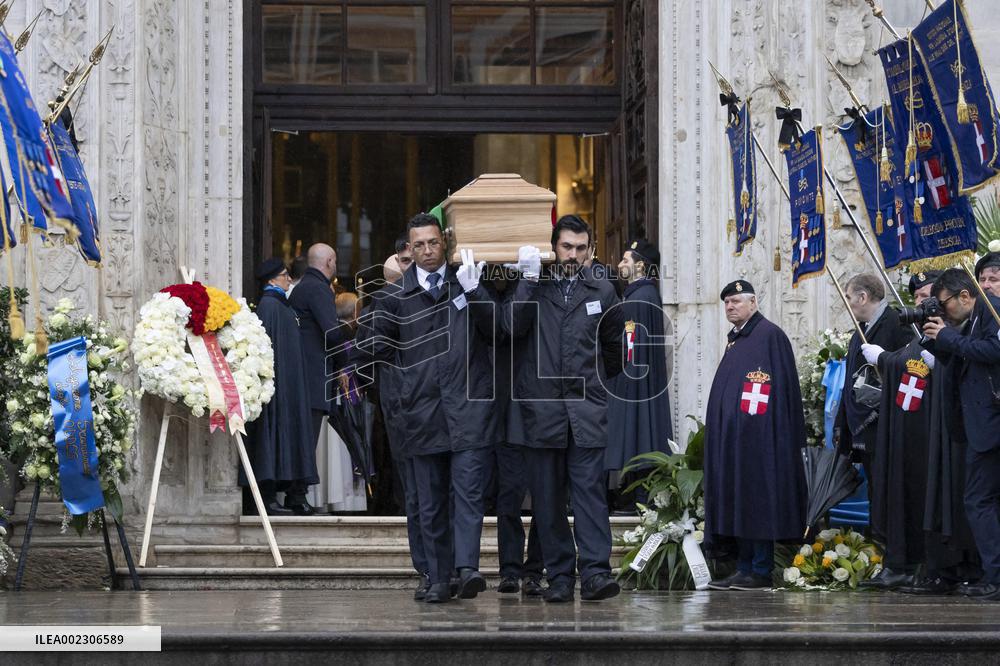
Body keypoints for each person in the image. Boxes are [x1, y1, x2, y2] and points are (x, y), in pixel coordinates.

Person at [360, 213, 500, 603]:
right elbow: (370, 350)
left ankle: (467, 568)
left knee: (468, 495)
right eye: (418, 244)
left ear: (445, 243)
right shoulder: (392, 297)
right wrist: (407, 378)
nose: (426, 250)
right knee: (430, 503)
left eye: (433, 242)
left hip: (468, 411)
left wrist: (477, 293)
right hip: (419, 415)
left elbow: (497, 333)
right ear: (409, 248)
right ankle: (439, 577)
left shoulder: (467, 284)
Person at [502, 214, 625, 603]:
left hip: (586, 411)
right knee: (548, 499)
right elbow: (510, 326)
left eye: (580, 248)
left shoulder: (602, 290)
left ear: (590, 251)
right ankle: (558, 575)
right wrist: (526, 279)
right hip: (541, 412)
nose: (572, 254)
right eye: (566, 246)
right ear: (553, 247)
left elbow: (615, 349)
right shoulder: (535, 286)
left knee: (590, 496)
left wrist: (595, 383)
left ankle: (594, 573)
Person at [704, 280, 807, 591]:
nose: (730, 307)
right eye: (727, 303)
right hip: (736, 442)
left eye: (736, 301)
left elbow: (775, 391)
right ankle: (743, 567)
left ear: (753, 302)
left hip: (761, 441)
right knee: (739, 500)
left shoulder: (769, 336)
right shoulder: (736, 340)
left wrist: (759, 430)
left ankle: (760, 569)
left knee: (758, 502)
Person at [922, 268, 1000, 601]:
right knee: (982, 501)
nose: (944, 311)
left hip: (992, 425)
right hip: (980, 427)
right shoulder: (969, 318)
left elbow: (992, 351)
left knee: (979, 501)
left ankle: (995, 578)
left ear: (964, 297)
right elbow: (961, 356)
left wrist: (949, 338)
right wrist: (936, 340)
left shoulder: (993, 311)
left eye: (944, 304)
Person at [859, 272, 937, 590]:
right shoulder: (916, 337)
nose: (922, 304)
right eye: (917, 298)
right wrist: (886, 361)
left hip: (930, 435)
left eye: (928, 297)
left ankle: (925, 567)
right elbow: (904, 363)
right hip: (904, 431)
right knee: (900, 496)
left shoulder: (944, 335)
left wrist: (883, 358)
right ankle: (900, 563)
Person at [241, 258, 318, 516]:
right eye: (284, 275)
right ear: (272, 279)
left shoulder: (281, 305)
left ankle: (295, 496)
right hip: (279, 386)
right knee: (273, 437)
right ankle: (267, 496)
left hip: (291, 384)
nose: (288, 279)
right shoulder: (270, 306)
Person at [605, 239, 673, 501]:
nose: (620, 264)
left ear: (640, 266)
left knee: (633, 429)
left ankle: (632, 494)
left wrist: (619, 370)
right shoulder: (643, 294)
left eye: (625, 260)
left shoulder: (639, 296)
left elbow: (630, 342)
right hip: (639, 375)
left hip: (632, 375)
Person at [288, 243, 349, 515]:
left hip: (303, 373)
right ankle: (297, 495)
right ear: (329, 262)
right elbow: (332, 333)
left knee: (303, 435)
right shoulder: (318, 289)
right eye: (335, 262)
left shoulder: (303, 287)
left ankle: (295, 493)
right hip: (314, 376)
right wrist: (346, 363)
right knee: (307, 436)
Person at [835, 274, 911, 477]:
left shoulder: (897, 323)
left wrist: (884, 358)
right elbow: (850, 380)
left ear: (862, 297)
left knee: (884, 493)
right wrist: (841, 424)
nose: (847, 304)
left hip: (886, 427)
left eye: (849, 298)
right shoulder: (858, 332)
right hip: (862, 429)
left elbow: (911, 369)